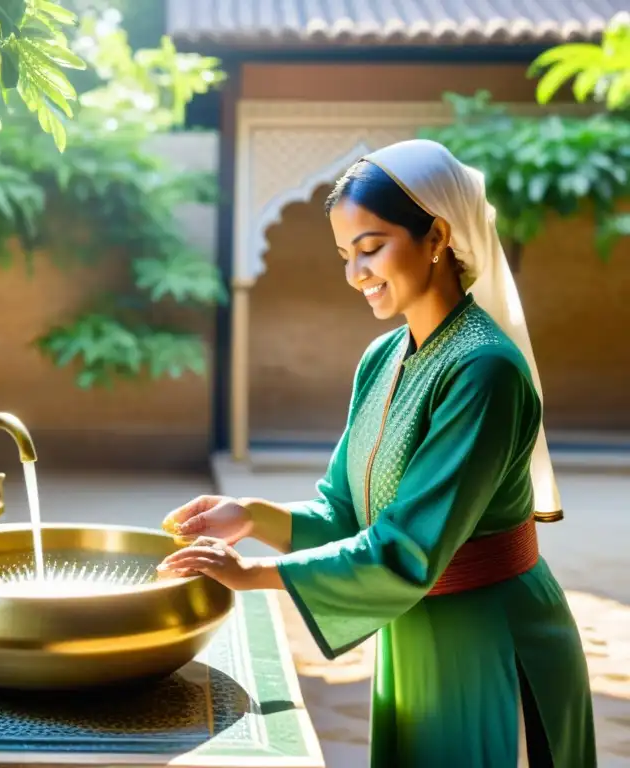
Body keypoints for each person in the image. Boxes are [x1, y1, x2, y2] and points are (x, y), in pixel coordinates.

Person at [158, 139, 595, 767]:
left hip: (490, 639)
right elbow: (344, 513)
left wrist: (254, 578)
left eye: (371, 248)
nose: (355, 273)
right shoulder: (382, 359)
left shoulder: (485, 370)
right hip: (412, 629)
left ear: (437, 235)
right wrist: (250, 515)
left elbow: (406, 548)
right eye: (345, 255)